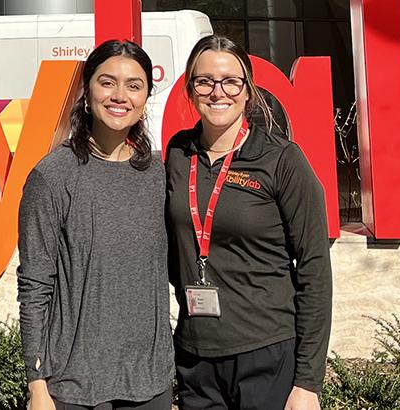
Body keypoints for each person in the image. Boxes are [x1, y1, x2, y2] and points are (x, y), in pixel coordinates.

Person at [164, 34, 333, 410]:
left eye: (230, 81)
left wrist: (308, 382)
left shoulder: (281, 160)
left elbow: (314, 268)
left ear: (247, 91)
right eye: (204, 81)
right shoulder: (179, 153)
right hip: (196, 355)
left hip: (266, 355)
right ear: (191, 91)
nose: (217, 92)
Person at [17, 39, 174, 410]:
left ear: (145, 98)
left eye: (133, 85)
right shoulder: (52, 176)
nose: (120, 95)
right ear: (86, 92)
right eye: (107, 82)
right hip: (74, 385)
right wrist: (36, 383)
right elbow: (35, 284)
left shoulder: (157, 175)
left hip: (150, 382)